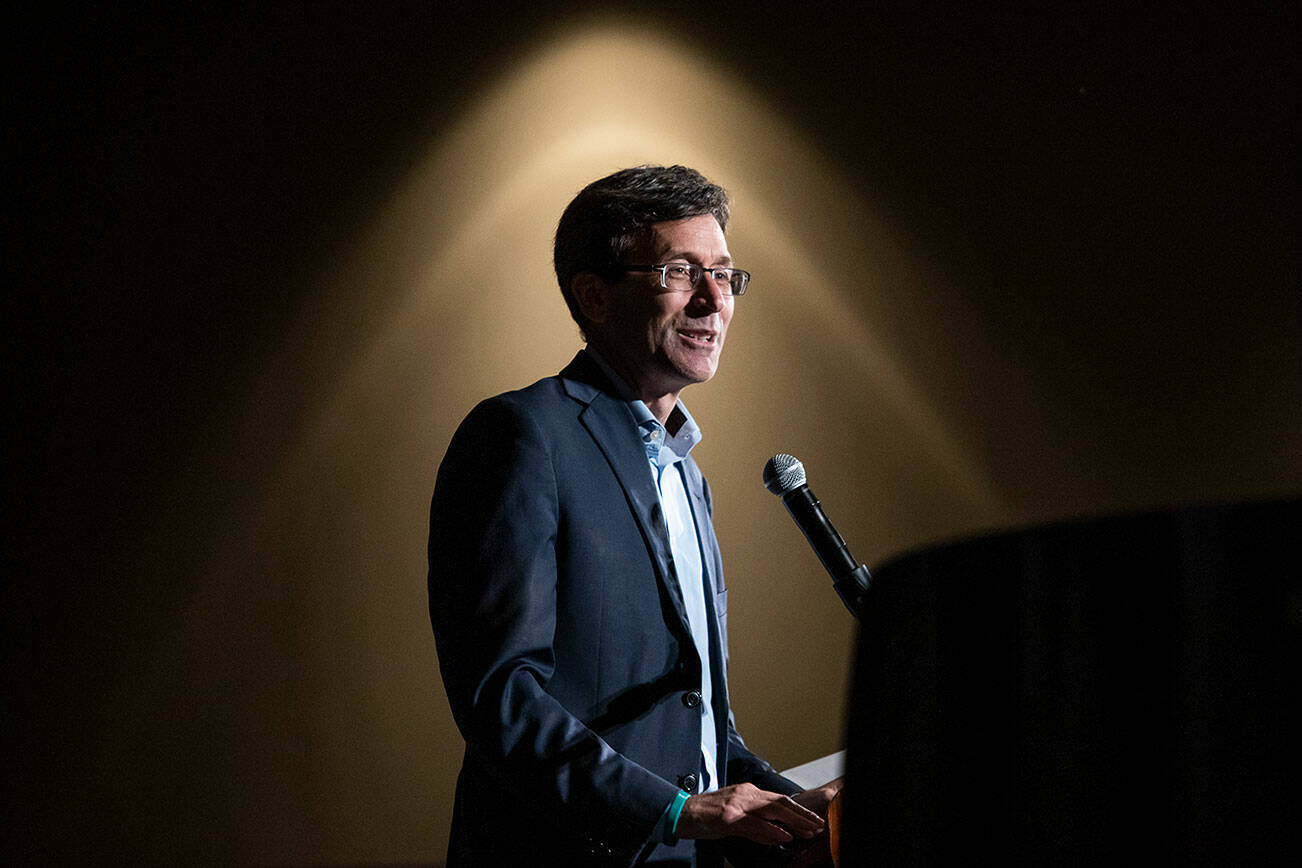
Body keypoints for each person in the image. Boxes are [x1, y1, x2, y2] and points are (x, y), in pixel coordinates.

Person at [428, 165, 841, 867]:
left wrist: (783, 807)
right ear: (594, 295)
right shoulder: (523, 436)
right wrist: (674, 812)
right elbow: (500, 698)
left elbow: (694, 721)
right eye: (682, 272)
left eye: (725, 273)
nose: (715, 300)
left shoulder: (686, 473)